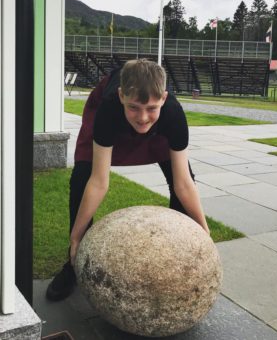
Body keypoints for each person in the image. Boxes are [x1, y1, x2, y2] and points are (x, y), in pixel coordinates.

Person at [46, 59, 210, 301]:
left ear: (164, 98)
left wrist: (203, 230)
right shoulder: (109, 108)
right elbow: (99, 182)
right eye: (134, 107)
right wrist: (76, 237)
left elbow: (184, 183)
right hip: (111, 118)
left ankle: (178, 253)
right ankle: (74, 264)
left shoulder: (172, 113)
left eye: (151, 108)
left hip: (157, 123)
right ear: (122, 96)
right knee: (81, 178)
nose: (143, 117)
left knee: (181, 184)